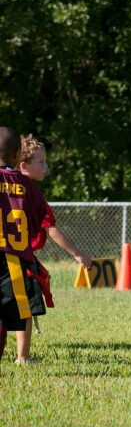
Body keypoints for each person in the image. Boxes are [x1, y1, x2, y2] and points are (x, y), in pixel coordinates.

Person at [11, 135, 92, 365]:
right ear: (24, 166)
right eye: (41, 162)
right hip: (20, 258)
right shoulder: (32, 192)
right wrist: (77, 253)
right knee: (25, 306)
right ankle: (23, 357)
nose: (46, 166)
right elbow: (51, 229)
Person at [0, 127, 47, 372]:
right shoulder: (24, 183)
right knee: (22, 308)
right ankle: (22, 356)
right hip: (14, 257)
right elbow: (40, 215)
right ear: (18, 154)